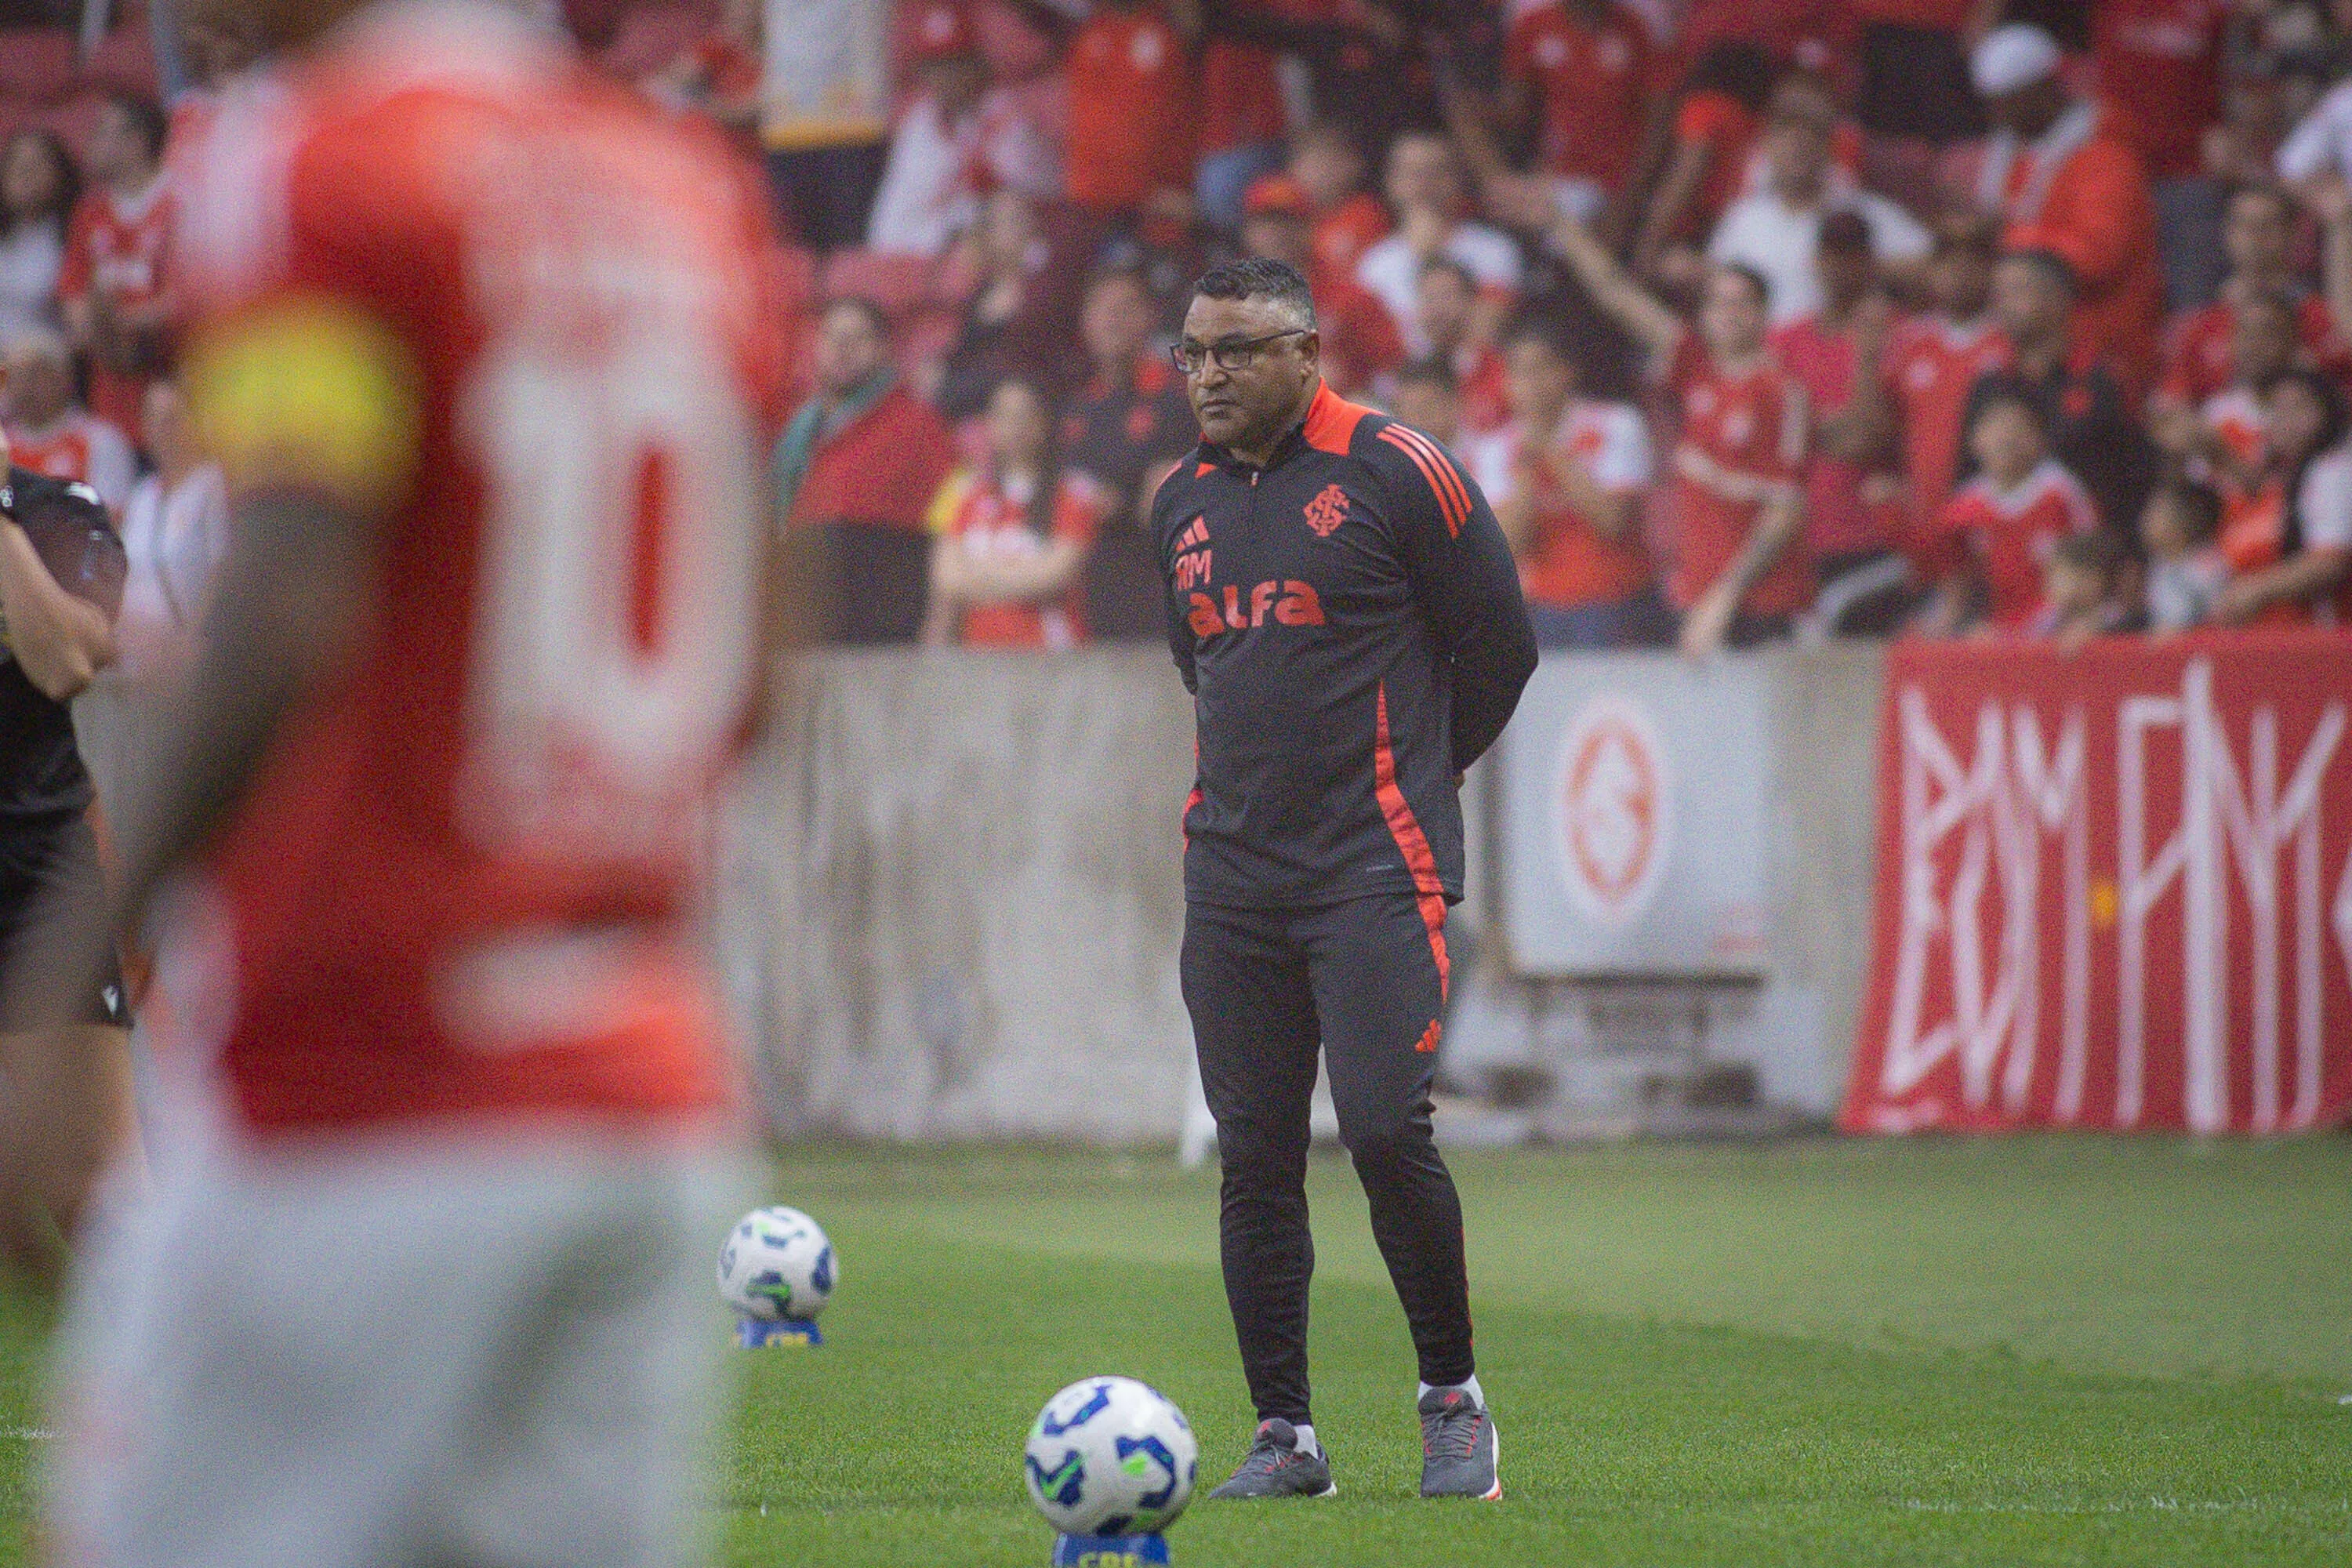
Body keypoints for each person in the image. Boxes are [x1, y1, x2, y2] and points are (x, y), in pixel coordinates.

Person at [12, 2, 791, 1563]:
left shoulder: (330, 160)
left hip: (367, 1087)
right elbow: (760, 650)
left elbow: (290, 600)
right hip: (643, 1093)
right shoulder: (677, 186)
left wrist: (77, 967)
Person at [1152, 257, 1533, 1504]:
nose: (1207, 375)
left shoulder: (1396, 469)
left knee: (1382, 1128)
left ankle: (1452, 1399)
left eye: (1235, 351)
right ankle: (1285, 1435)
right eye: (1192, 353)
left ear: (1306, 352)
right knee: (1254, 1158)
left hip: (1373, 866)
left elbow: (1502, 645)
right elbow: (1204, 670)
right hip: (1234, 878)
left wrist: (1420, 778)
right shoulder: (1180, 505)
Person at [1544, 213, 1814, 653]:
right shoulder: (1696, 371)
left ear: (1764, 314)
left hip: (1761, 603)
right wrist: (1563, 227)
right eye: (1718, 303)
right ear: (1704, 313)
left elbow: (1784, 511)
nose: (1728, 314)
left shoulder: (1781, 393)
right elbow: (1618, 297)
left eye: (1742, 302)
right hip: (1698, 595)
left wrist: (1723, 599)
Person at [0, 431, 135, 1303]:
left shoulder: (60, 514)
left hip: (30, 872)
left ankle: (178, 1412)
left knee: (96, 1191)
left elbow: (66, 658)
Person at [1969, 24, 2163, 391]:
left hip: (2103, 351)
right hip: (2038, 352)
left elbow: (2100, 256)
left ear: (2042, 89)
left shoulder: (2106, 154)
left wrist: (2008, 241)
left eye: (2007, 102)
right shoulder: (2014, 154)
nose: (1997, 116)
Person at [1471, 313, 1664, 648]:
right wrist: (1526, 471)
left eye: (1542, 368)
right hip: (1537, 608)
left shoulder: (1617, 423)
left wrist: (1550, 446)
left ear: (1567, 372)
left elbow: (1613, 522)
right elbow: (1510, 546)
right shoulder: (1494, 447)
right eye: (1518, 371)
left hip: (1615, 602)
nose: (1530, 383)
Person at [779, 297, 959, 642]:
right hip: (807, 608)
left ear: (883, 349)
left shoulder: (918, 425)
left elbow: (951, 525)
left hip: (883, 613)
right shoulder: (798, 431)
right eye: (832, 338)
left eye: (858, 339)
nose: (842, 349)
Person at [1769, 213, 1914, 637]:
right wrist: (1825, 431)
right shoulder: (1786, 339)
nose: (1840, 266)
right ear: (1815, 260)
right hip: (1800, 537)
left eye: (1852, 255)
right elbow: (1776, 438)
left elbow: (1868, 439)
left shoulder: (1899, 332)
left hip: (1874, 537)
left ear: (1871, 262)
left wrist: (1867, 354)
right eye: (1831, 254)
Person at [1704, 70, 1929, 328]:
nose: (1797, 146)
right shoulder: (1744, 217)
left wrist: (1855, 266)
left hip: (1830, 355)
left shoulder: (1855, 210)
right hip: (1762, 356)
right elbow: (1716, 280)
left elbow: (1930, 265)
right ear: (1767, 146)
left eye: (1809, 138)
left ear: (1827, 148)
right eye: (1786, 137)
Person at [1962, 248, 2154, 541]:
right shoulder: (1989, 384)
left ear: (2058, 300)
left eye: (2016, 291)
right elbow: (1967, 476)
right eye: (1998, 293)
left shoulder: (2103, 380)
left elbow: (2139, 475)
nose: (2002, 305)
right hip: (2010, 558)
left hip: (2096, 556)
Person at [1062, 266, 1197, 639]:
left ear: (1150, 318)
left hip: (1157, 579)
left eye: (1126, 309)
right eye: (1103, 309)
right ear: (1085, 321)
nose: (1113, 320)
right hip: (1085, 575)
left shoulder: (1180, 399)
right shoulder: (1076, 407)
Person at [864, 1, 1060, 258]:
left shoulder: (1008, 117)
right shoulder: (919, 124)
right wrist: (947, 235)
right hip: (939, 260)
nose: (947, 78)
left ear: (979, 65)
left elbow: (1037, 203)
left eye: (957, 63)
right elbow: (885, 233)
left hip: (1011, 257)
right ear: (922, 73)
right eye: (937, 66)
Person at [923, 377, 1107, 648]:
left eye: (1025, 415)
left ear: (1043, 424)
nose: (1015, 427)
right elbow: (947, 581)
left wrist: (975, 579)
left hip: (1053, 660)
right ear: (989, 425)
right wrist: (1021, 577)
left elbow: (1055, 575)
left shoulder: (1071, 495)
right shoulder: (966, 494)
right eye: (1005, 416)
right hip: (979, 661)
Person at [1924, 384, 2100, 634]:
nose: (2007, 437)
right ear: (1974, 439)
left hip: (2056, 628)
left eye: (2018, 427)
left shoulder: (2060, 491)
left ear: (2039, 438)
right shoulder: (1963, 506)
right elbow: (1953, 580)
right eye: (1996, 427)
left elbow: (2093, 564)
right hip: (1991, 630)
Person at [2158, 183, 2344, 408]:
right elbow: (2172, 404)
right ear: (2227, 232)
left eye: (2268, 225)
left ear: (2293, 233)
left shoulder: (2326, 319)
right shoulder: (2199, 326)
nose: (2256, 236)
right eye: (2244, 225)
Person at [57, 95, 176, 441]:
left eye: (101, 133)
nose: (90, 144)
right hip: (109, 392)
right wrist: (100, 330)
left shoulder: (180, 201)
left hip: (171, 380)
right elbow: (74, 293)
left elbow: (193, 294)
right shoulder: (89, 213)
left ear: (136, 140)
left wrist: (123, 323)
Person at [1883, 213, 2009, 531]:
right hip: (1923, 513)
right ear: (1932, 270)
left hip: (1991, 512)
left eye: (1972, 263)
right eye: (1948, 263)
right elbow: (1889, 424)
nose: (1959, 274)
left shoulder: (2008, 341)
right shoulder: (1909, 340)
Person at [1353, 132, 1523, 353]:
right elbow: (1377, 348)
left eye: (1436, 171)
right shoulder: (1374, 264)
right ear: (1392, 182)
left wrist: (1427, 254)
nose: (1424, 182)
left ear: (1457, 179)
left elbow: (1486, 334)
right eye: (1412, 173)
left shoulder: (1494, 249)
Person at [1236, 174, 1402, 395]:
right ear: (1248, 232)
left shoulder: (1348, 297)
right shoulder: (1232, 301)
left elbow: (1394, 365)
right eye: (1266, 224)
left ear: (1310, 229)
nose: (1277, 234)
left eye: (1288, 223)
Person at [2213, 366, 2352, 625]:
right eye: (2276, 408)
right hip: (2273, 635)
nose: (2282, 418)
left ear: (2327, 413)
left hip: (2327, 637)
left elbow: (2331, 562)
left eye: (2297, 408)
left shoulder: (2333, 470)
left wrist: (2256, 589)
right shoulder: (2276, 481)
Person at [114, 378, 226, 683]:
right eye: (154, 418)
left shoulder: (214, 487)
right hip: (141, 664)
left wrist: (189, 645)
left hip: (195, 664)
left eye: (173, 419)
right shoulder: (142, 496)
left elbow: (222, 571)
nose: (162, 429)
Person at [0, 327, 137, 517]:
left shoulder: (100, 441)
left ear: (64, 379)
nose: (25, 388)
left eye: (34, 376)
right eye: (15, 378)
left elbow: (110, 521)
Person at [0, 132, 78, 339]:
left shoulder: (74, 236)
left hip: (45, 359)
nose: (25, 174)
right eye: (16, 164)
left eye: (37, 164)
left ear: (59, 175)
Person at [2140, 477, 2230, 631]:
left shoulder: (2206, 564)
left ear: (2184, 522)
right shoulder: (2159, 565)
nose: (2145, 519)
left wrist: (2181, 628)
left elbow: (2218, 610)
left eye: (2156, 513)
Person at [2029, 528, 2136, 648]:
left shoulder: (2116, 615)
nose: (2050, 584)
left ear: (2093, 580)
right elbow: (2030, 642)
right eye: (2050, 576)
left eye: (2063, 577)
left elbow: (2115, 622)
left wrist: (2092, 627)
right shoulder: (2051, 619)